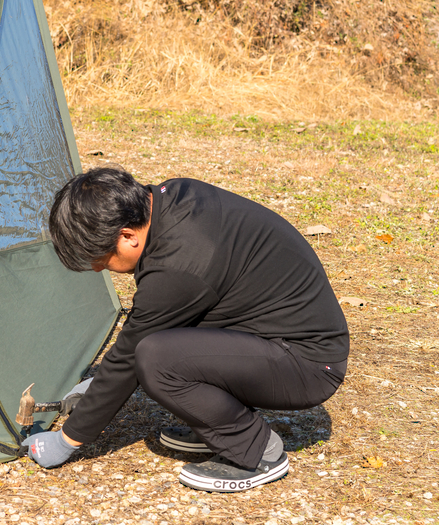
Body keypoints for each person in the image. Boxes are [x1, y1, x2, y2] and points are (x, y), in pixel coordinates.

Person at [21, 167, 349, 492]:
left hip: (308, 364)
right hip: (276, 337)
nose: (100, 268)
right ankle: (218, 427)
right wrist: (96, 388)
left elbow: (131, 353)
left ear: (126, 236)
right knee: (157, 348)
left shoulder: (180, 265)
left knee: (155, 358)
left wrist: (66, 441)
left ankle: (259, 452)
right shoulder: (171, 197)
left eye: (102, 260)